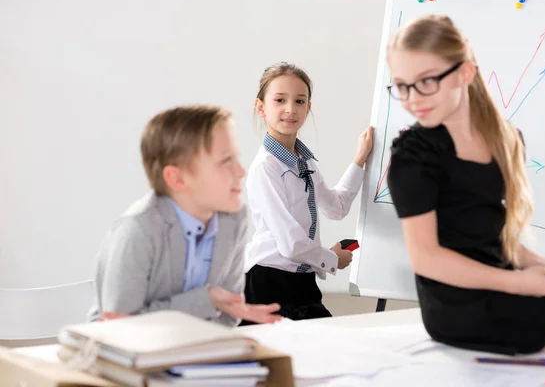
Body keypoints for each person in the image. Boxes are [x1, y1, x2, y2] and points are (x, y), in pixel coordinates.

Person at [386, 14, 545, 354]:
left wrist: (544, 268)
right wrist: (520, 283)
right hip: (461, 307)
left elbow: (492, 237)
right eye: (401, 85)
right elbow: (426, 258)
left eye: (426, 81)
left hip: (507, 279)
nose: (412, 98)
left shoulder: (506, 140)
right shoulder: (412, 158)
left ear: (465, 72)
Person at [89, 105, 281, 326]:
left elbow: (229, 315)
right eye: (225, 161)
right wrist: (206, 300)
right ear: (177, 179)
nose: (241, 171)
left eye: (236, 158)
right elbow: (120, 327)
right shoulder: (138, 230)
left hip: (197, 352)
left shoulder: (234, 219)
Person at [243, 62, 374, 322]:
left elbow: (336, 208)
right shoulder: (265, 167)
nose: (290, 109)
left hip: (302, 281)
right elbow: (291, 243)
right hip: (269, 281)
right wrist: (331, 258)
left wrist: (360, 158)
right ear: (261, 107)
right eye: (279, 100)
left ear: (308, 108)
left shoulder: (305, 162)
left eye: (300, 101)